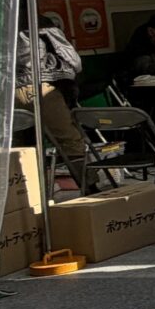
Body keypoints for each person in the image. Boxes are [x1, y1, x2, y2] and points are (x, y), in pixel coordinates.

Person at [17, 20, 98, 193]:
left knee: (23, 147)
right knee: (69, 140)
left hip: (8, 90)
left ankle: (28, 192)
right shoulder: (41, 23)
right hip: (41, 86)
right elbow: (72, 59)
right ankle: (89, 186)